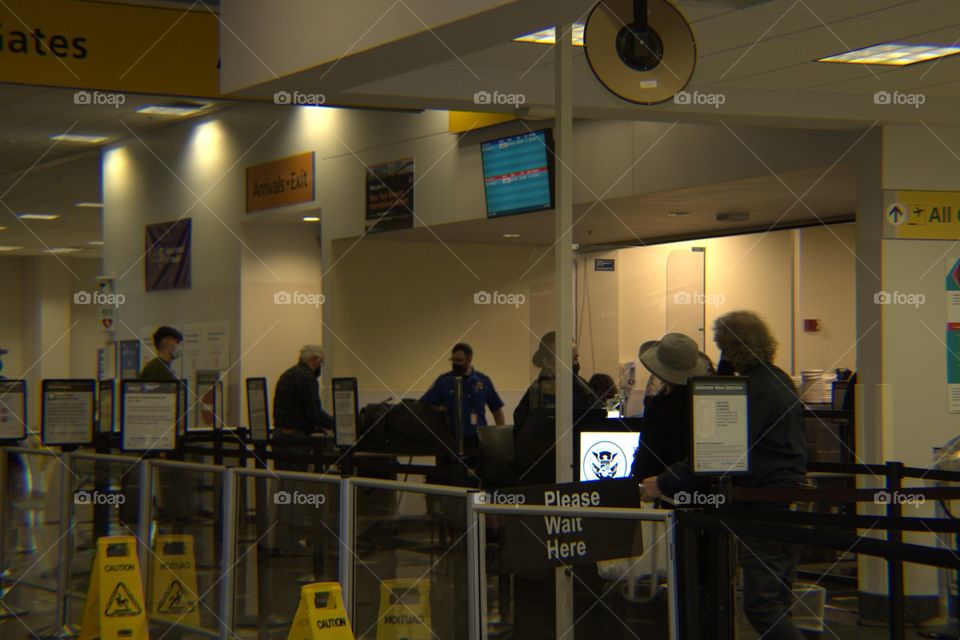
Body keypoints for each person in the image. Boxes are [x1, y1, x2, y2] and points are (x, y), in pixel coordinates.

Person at [641, 311, 807, 640]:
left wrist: (663, 482)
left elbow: (717, 452)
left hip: (766, 505)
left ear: (732, 349)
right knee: (777, 601)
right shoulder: (777, 380)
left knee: (762, 606)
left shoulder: (754, 392)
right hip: (786, 499)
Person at [630, 333, 711, 481]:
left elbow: (647, 460)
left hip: (661, 485)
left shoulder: (659, 406)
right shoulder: (706, 403)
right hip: (701, 487)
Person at [419, 343, 505, 447]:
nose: (455, 363)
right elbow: (424, 405)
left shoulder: (483, 381)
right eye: (453, 360)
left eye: (459, 360)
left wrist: (501, 437)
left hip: (477, 438)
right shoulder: (444, 382)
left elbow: (497, 410)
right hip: (450, 438)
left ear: (469, 360)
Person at [272, 345, 335, 471]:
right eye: (321, 363)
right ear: (314, 359)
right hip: (296, 439)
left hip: (279, 436)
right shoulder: (308, 378)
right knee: (296, 478)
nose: (320, 367)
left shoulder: (287, 374)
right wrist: (335, 423)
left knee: (282, 477)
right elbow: (314, 413)